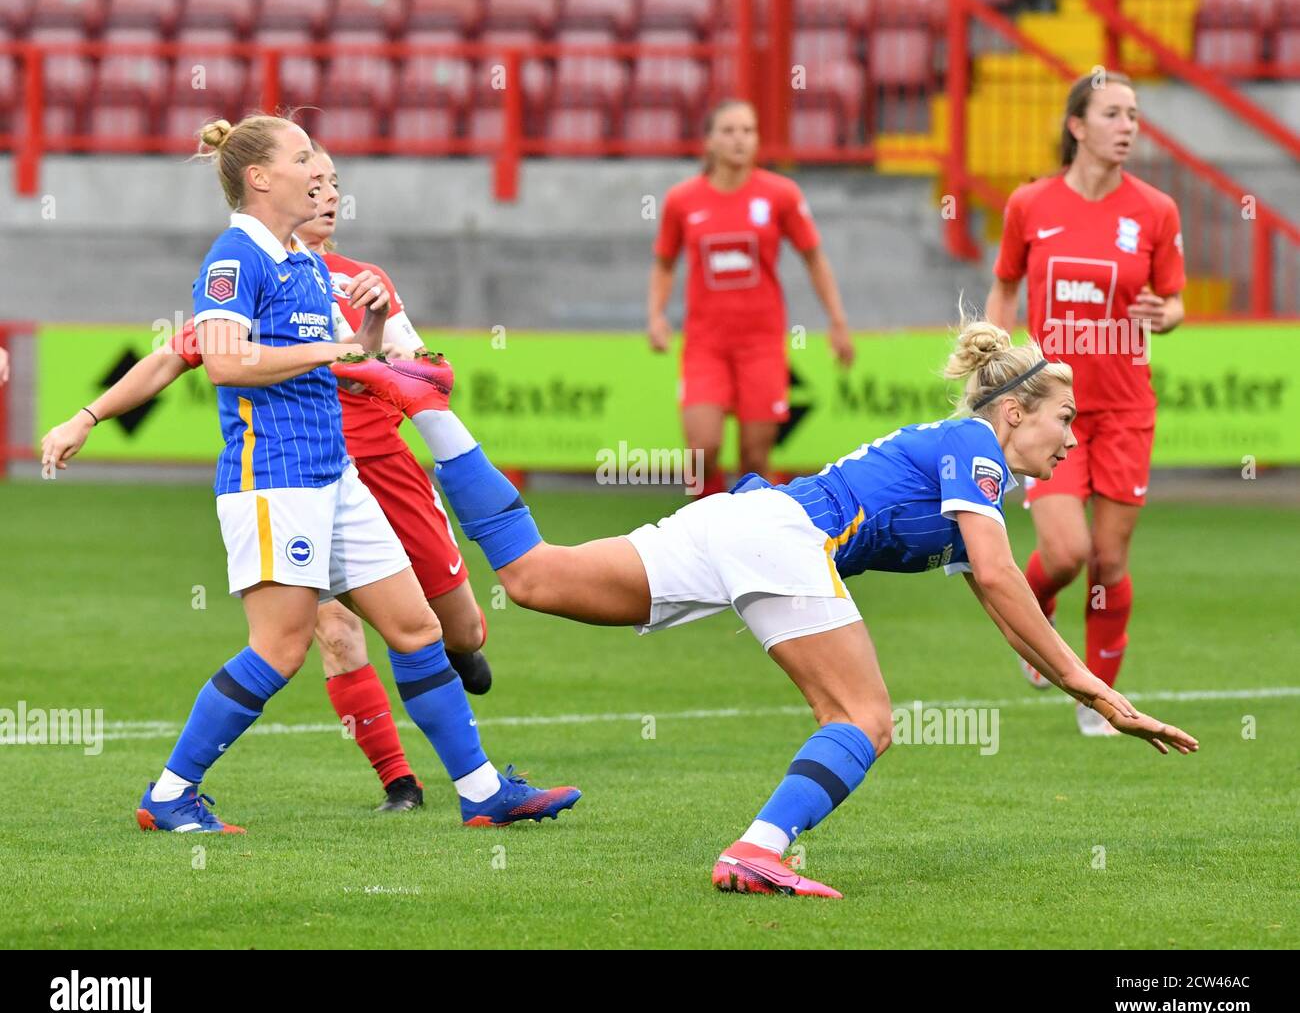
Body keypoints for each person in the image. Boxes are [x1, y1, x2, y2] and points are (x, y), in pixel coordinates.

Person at [335, 318, 1199, 899]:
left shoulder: (973, 467)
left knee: (531, 576)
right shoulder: (976, 450)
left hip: (742, 519)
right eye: (1064, 418)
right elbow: (1007, 581)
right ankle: (759, 850)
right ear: (1014, 412)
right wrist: (1093, 687)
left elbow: (998, 596)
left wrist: (1084, 685)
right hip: (782, 536)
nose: (1073, 436)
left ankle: (430, 407)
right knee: (863, 716)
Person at [102, 113, 578, 833]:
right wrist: (331, 352)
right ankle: (170, 793)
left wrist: (365, 333)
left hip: (335, 477)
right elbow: (226, 361)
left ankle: (481, 790)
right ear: (261, 178)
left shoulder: (300, 263)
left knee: (417, 629)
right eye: (303, 161)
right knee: (283, 647)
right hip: (277, 480)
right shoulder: (235, 259)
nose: (320, 178)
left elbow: (346, 357)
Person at [984, 71, 1185, 735]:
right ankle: (1034, 611)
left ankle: (1100, 697)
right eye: (1113, 114)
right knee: (1066, 553)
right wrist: (995, 359)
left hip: (1127, 407)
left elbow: (1175, 301)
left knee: (1110, 561)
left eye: (1134, 115)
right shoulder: (1030, 205)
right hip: (1051, 409)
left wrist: (1166, 312)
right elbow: (1006, 284)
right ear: (1078, 126)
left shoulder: (1154, 210)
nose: (1128, 126)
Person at [647, 99, 854, 497]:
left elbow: (814, 258)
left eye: (748, 130)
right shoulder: (682, 201)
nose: (740, 139)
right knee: (702, 449)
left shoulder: (781, 195)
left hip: (761, 345)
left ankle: (751, 543)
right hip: (705, 345)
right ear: (708, 141)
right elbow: (664, 264)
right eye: (729, 130)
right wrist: (656, 315)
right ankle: (698, 535)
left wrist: (838, 322)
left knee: (755, 458)